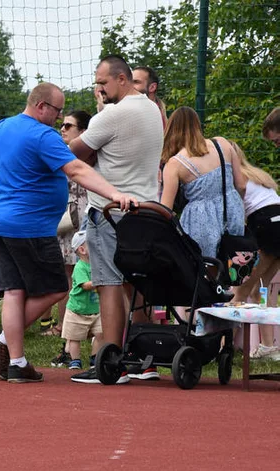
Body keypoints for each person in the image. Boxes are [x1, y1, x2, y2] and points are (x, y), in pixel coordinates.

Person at [0, 81, 135, 383]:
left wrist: (1, 175)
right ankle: (6, 341)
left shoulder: (5, 126)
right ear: (41, 106)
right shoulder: (42, 135)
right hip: (28, 226)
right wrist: (115, 193)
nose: (58, 119)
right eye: (57, 111)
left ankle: (17, 362)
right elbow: (76, 170)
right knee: (57, 288)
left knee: (14, 290)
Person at [68, 55, 165, 384]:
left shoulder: (112, 114)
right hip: (144, 209)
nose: (99, 88)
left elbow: (73, 153)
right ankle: (145, 358)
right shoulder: (151, 108)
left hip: (110, 210)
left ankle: (110, 362)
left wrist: (98, 119)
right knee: (133, 283)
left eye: (103, 82)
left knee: (108, 283)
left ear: (122, 79)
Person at [159, 107, 245, 259]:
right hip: (231, 210)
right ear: (198, 125)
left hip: (200, 220)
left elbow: (166, 209)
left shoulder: (175, 163)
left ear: (172, 130)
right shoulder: (222, 144)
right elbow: (242, 185)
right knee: (233, 263)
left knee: (205, 268)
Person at [50, 109, 93, 359]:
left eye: (69, 126)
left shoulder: (89, 155)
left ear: (83, 132)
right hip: (66, 221)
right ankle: (68, 338)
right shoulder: (59, 152)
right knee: (68, 277)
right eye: (62, 125)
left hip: (85, 217)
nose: (63, 129)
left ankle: (91, 332)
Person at [231, 145, 280, 316]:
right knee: (260, 290)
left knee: (240, 292)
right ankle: (268, 343)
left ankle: (224, 342)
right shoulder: (257, 175)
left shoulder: (237, 179)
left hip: (265, 225)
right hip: (277, 220)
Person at [61, 233, 102, 373]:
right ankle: (75, 360)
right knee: (74, 337)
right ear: (82, 250)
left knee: (100, 333)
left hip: (95, 310)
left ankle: (95, 358)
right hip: (77, 310)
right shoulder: (80, 267)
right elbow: (85, 285)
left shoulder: (97, 265)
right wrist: (100, 282)